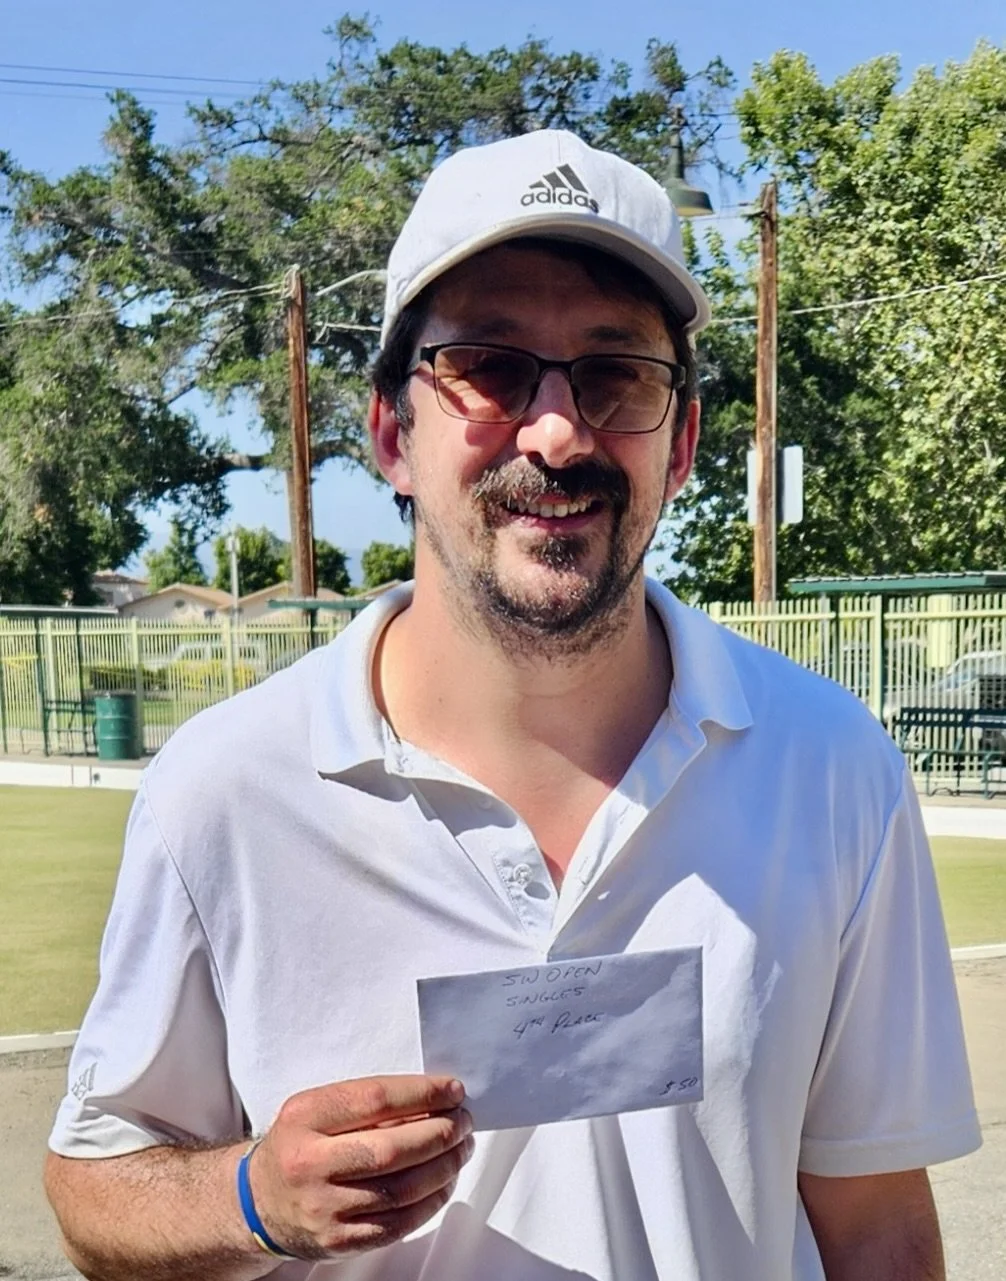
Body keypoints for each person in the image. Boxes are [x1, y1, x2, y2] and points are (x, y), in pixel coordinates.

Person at [45, 130, 979, 1281]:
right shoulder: (226, 788)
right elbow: (94, 1188)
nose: (555, 431)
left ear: (679, 441)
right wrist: (248, 1194)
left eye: (614, 374)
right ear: (393, 433)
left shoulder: (831, 766)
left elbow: (876, 1220)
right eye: (486, 367)